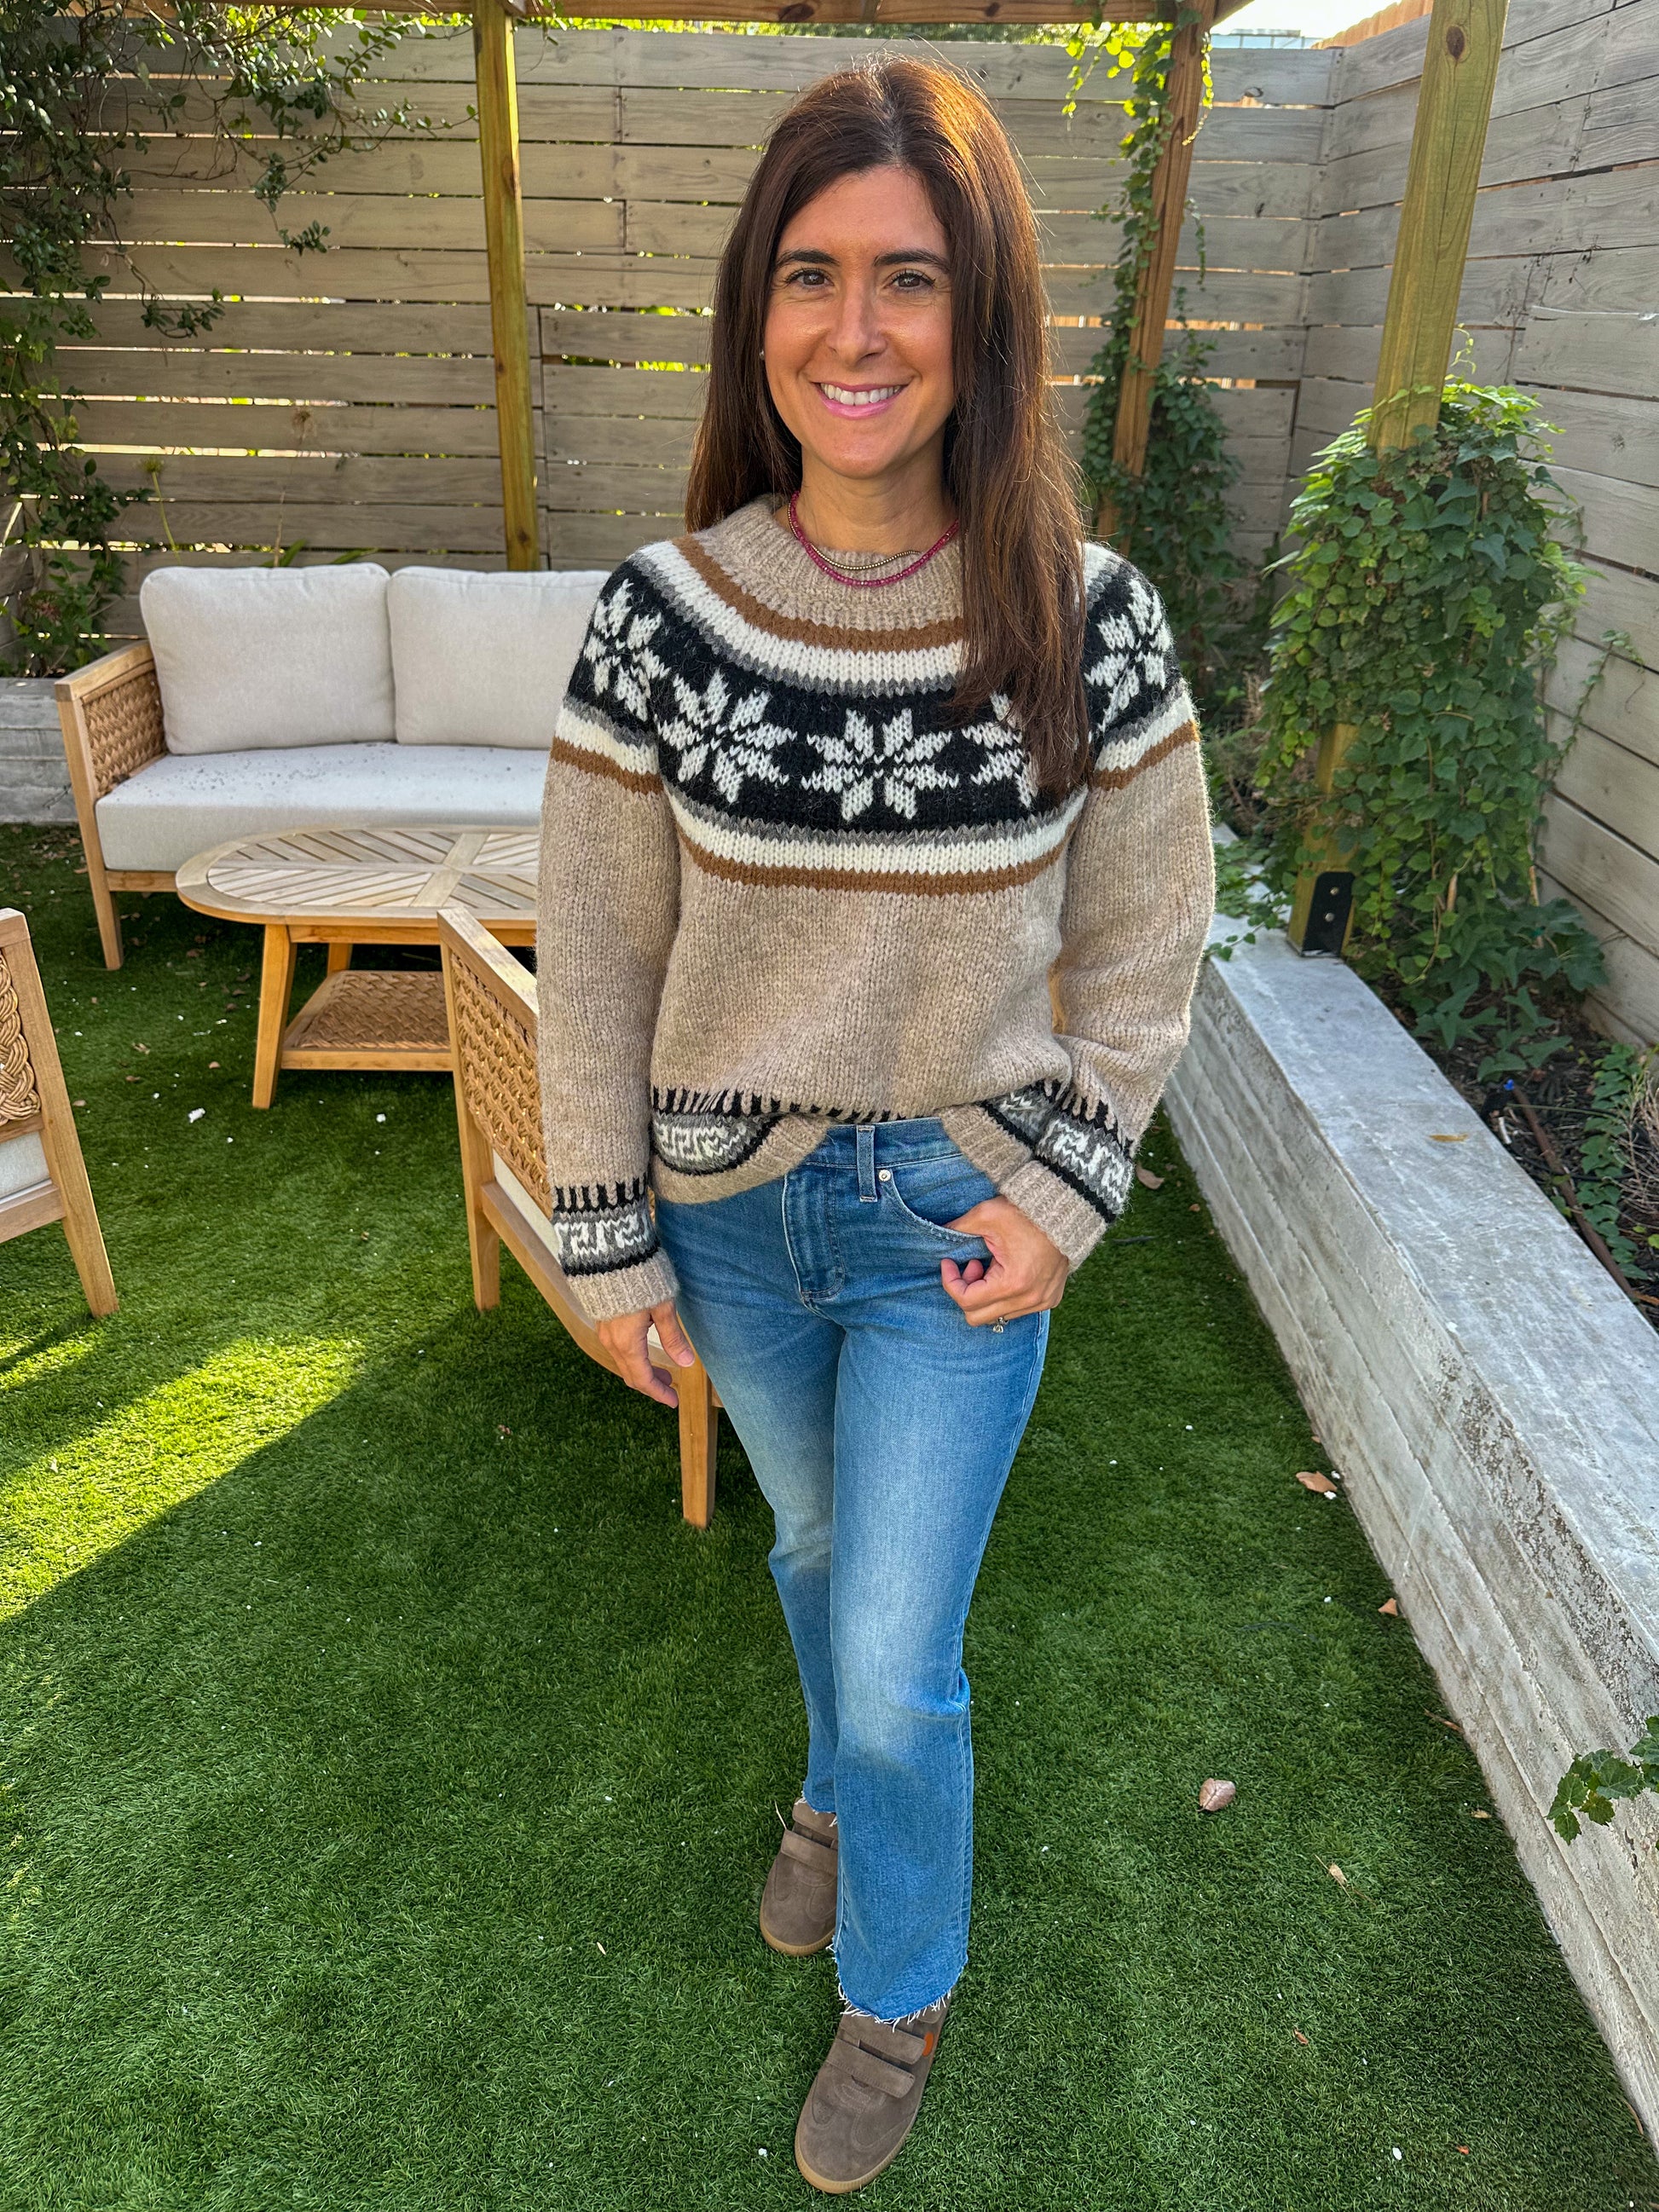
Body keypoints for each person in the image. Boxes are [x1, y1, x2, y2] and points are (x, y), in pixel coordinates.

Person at [535, 54, 1214, 2195]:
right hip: (731, 1216)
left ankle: (896, 1981)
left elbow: (1148, 939)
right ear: (756, 311)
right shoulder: (662, 620)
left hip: (954, 1220)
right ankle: (828, 1795)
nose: (855, 327)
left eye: (908, 277)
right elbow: (599, 950)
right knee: (815, 1554)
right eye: (811, 274)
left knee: (906, 1657)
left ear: (980, 311)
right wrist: (605, 1240)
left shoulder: (1084, 619)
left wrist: (1069, 1189)